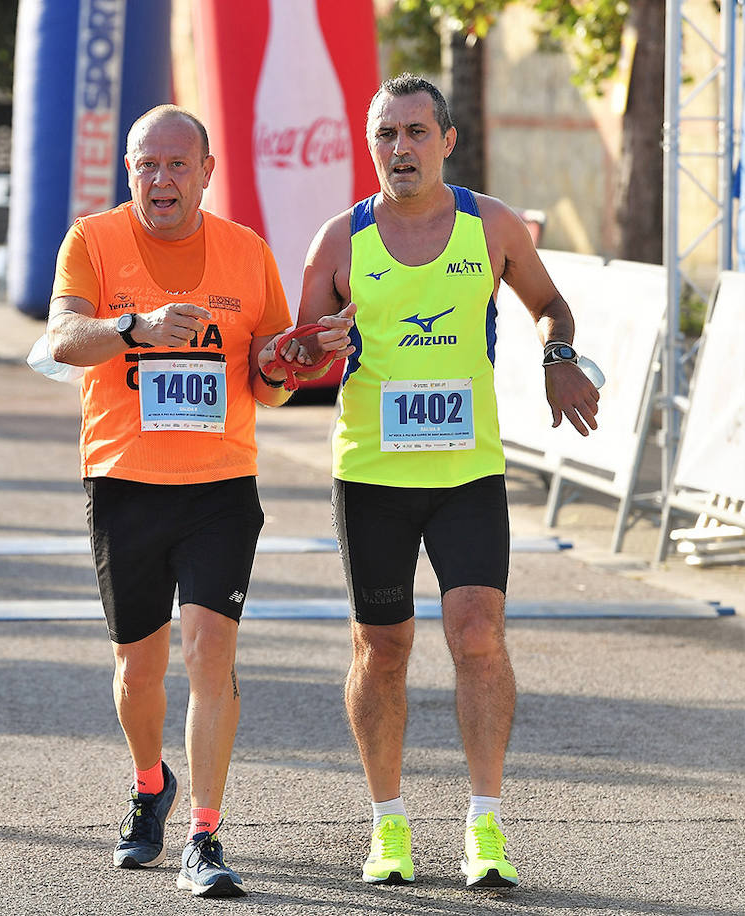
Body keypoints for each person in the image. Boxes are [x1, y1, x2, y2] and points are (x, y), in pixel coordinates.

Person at [294, 74, 600, 890]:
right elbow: (295, 356)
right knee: (382, 648)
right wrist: (310, 349)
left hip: (468, 471)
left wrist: (558, 358)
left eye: (417, 132)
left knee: (477, 637)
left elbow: (551, 305)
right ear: (371, 146)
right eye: (387, 134)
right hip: (371, 473)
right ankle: (388, 827)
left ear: (448, 140)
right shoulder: (338, 240)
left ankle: (485, 825)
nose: (402, 149)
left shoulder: (490, 225)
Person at [47, 104, 355, 899]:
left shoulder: (247, 253)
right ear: (129, 171)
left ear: (207, 173)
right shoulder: (93, 241)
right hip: (124, 480)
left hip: (220, 486)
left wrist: (293, 363)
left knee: (209, 655)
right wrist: (137, 328)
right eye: (147, 164)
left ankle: (204, 836)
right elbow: (62, 340)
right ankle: (152, 783)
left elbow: (269, 376)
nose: (162, 179)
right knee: (136, 670)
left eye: (179, 165)